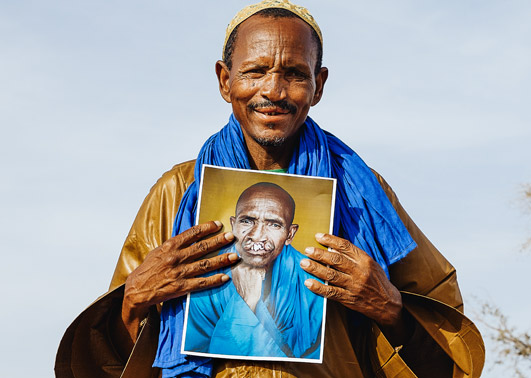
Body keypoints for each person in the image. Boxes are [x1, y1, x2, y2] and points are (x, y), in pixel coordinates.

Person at [55, 1, 485, 377]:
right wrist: (133, 302)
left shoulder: (363, 195)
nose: (274, 91)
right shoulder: (177, 191)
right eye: (255, 71)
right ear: (225, 80)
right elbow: (103, 359)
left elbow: (451, 352)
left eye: (295, 74)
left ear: (319, 85)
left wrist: (389, 307)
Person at [183, 182, 324, 359]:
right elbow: (195, 357)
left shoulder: (312, 279)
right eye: (247, 221)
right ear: (233, 225)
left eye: (273, 224)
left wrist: (250, 305)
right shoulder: (207, 276)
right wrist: (247, 303)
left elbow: (315, 363)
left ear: (290, 234)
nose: (257, 235)